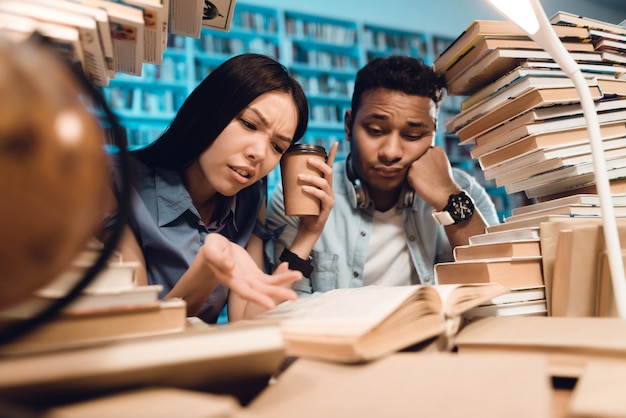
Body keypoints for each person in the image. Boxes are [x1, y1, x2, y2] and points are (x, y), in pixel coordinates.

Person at [107, 53, 337, 323]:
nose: (259, 154)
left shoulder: (250, 197)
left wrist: (307, 235)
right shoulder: (118, 183)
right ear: (210, 111)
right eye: (249, 124)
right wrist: (210, 262)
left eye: (277, 146)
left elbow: (250, 320)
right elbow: (139, 330)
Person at [267, 55, 500, 295]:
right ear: (348, 125)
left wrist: (448, 197)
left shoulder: (464, 191)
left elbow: (500, 285)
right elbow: (287, 306)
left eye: (413, 135)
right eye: (376, 130)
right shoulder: (301, 194)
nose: (391, 152)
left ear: (433, 134)